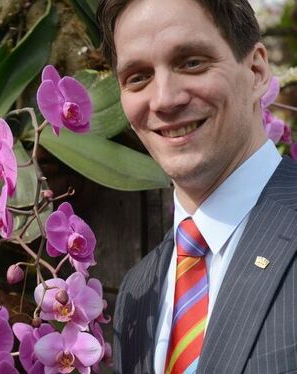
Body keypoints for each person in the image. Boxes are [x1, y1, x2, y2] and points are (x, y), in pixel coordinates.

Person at [97, 0, 297, 373]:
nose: (165, 99)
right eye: (138, 77)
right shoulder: (137, 293)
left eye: (192, 62)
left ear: (255, 71)